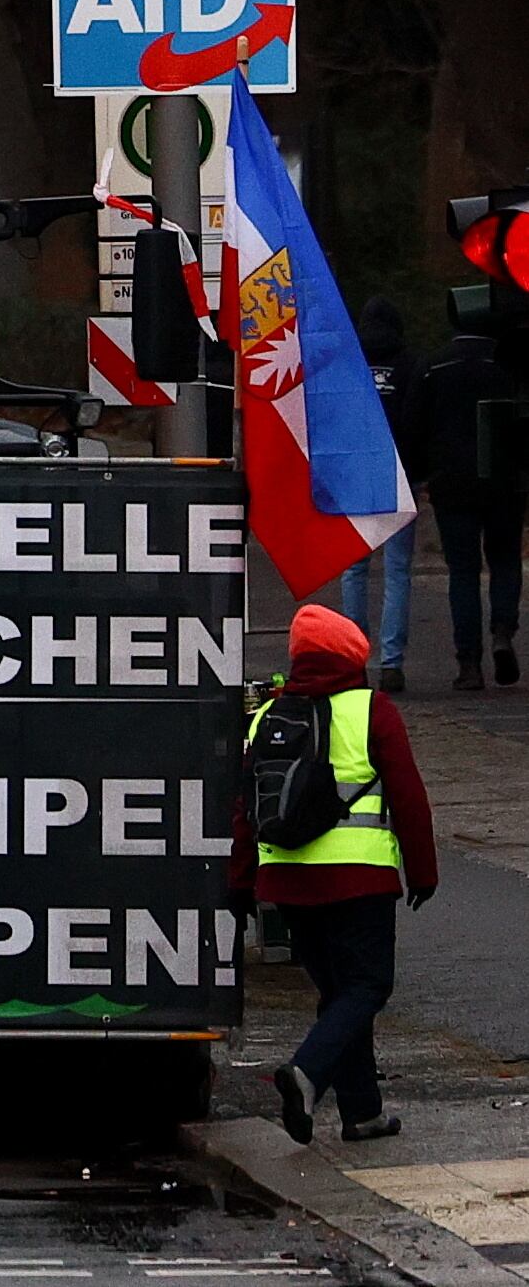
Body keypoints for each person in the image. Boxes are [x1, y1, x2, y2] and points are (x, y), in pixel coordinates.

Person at [229, 603, 438, 1144]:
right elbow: (408, 796)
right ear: (352, 658)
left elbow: (244, 810)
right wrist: (423, 870)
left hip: (287, 884)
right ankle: (306, 1073)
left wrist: (239, 882)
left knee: (340, 993)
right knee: (367, 985)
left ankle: (363, 1112)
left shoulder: (265, 717)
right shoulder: (371, 710)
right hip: (359, 880)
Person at [402, 324, 527, 689]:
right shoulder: (511, 365)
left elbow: (413, 428)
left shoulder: (433, 366)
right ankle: (503, 630)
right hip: (505, 482)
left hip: (451, 483)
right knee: (505, 560)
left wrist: (421, 474)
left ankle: (469, 662)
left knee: (463, 571)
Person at [341, 297, 422, 692]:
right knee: (397, 571)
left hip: (355, 476)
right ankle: (392, 663)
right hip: (398, 477)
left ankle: (355, 658)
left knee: (354, 570)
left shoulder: (348, 364)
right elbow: (414, 423)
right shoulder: (410, 365)